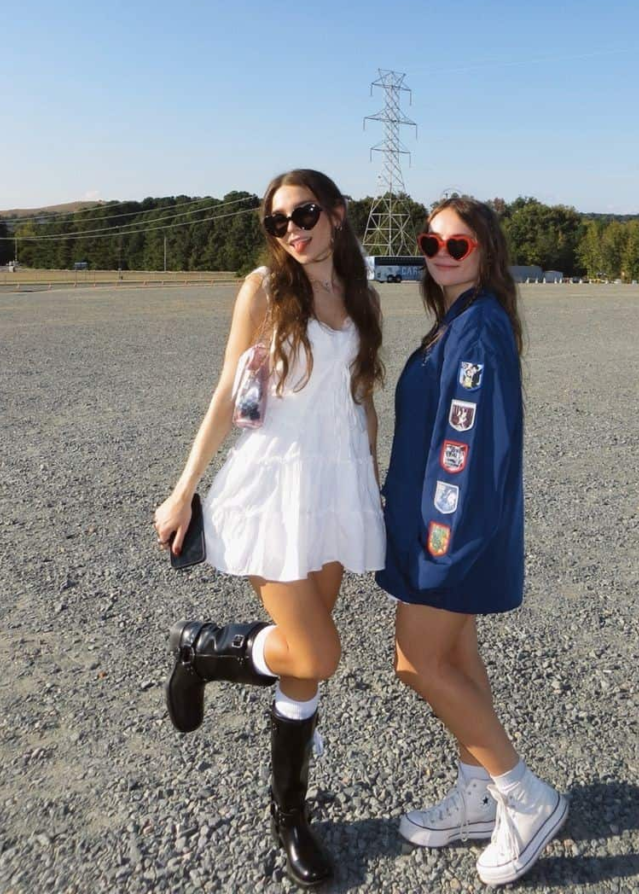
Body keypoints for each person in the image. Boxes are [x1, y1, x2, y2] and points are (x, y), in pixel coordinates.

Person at [153, 169, 385, 889]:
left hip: (336, 483)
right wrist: (183, 488)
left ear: (337, 216)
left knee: (303, 667)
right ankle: (203, 652)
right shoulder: (263, 288)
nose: (292, 230)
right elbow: (229, 390)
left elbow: (360, 399)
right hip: (274, 483)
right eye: (279, 221)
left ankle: (290, 817)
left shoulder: (363, 295)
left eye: (305, 214)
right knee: (315, 650)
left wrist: (369, 483)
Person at [376, 197, 567, 888]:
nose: (439, 253)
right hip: (438, 528)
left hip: (448, 534)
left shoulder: (478, 326)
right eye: (431, 241)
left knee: (415, 662)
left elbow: (468, 447)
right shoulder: (456, 318)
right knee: (455, 656)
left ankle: (523, 795)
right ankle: (476, 795)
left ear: (485, 252)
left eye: (456, 244)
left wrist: (440, 546)